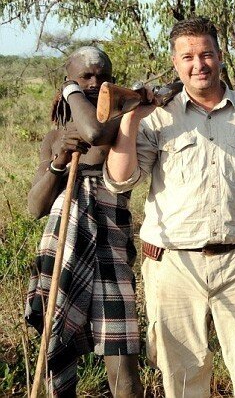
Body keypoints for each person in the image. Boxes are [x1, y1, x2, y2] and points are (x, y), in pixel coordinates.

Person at [104, 17, 235, 397]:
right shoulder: (158, 114)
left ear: (220, 57)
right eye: (188, 57)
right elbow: (121, 178)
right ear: (175, 63)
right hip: (174, 264)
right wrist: (130, 120)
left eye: (206, 54)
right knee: (182, 373)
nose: (199, 64)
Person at [26, 47, 143, 398]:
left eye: (102, 76)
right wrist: (58, 160)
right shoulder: (54, 136)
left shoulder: (120, 120)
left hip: (111, 249)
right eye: (85, 78)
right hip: (63, 247)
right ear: (69, 77)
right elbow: (35, 207)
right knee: (58, 348)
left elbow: (92, 131)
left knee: (122, 361)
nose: (95, 83)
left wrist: (70, 91)